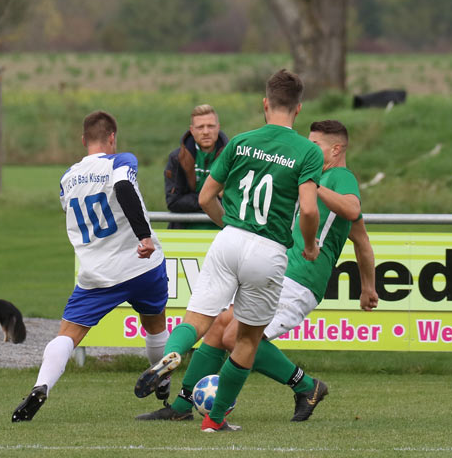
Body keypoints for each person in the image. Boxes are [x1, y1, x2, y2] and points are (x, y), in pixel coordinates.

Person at [138, 119, 378, 423]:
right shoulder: (310, 179)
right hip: (277, 268)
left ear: (336, 149)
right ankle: (182, 406)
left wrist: (314, 187)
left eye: (315, 144)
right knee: (218, 326)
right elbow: (361, 241)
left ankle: (307, 386)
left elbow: (353, 211)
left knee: (234, 337)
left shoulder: (340, 177)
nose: (309, 148)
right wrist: (368, 287)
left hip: (302, 278)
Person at [134, 69, 323, 432]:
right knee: (247, 339)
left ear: (265, 104)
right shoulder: (308, 151)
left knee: (197, 320)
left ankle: (172, 355)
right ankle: (214, 420)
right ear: (298, 108)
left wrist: (230, 226)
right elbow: (310, 210)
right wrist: (311, 245)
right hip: (268, 250)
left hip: (230, 238)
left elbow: (206, 197)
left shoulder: (239, 142)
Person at [11, 111, 171, 422]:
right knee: (155, 325)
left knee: (68, 334)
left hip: (97, 273)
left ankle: (42, 385)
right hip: (142, 265)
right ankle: (162, 382)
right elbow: (123, 188)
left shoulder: (68, 177)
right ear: (112, 137)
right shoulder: (121, 161)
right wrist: (143, 236)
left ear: (83, 140)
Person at [164, 104, 228, 229]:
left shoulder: (234, 157)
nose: (206, 132)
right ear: (192, 130)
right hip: (184, 232)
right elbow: (174, 202)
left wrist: (193, 199)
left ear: (218, 128)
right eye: (200, 127)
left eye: (210, 126)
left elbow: (238, 202)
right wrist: (213, 196)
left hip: (221, 233)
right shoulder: (177, 158)